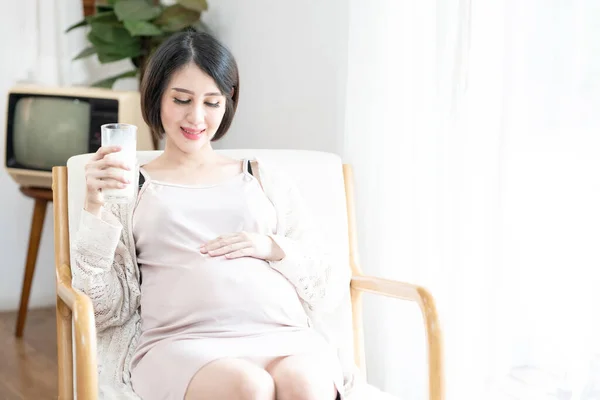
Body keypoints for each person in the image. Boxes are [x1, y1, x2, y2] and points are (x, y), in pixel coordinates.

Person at [72, 30, 348, 400]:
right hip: (182, 343)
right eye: (182, 99)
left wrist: (270, 246)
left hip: (284, 334)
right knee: (248, 387)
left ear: (228, 101)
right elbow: (103, 308)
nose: (196, 117)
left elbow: (328, 281)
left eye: (212, 102)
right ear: (156, 97)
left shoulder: (263, 178)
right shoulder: (128, 188)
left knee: (306, 385)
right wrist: (94, 204)